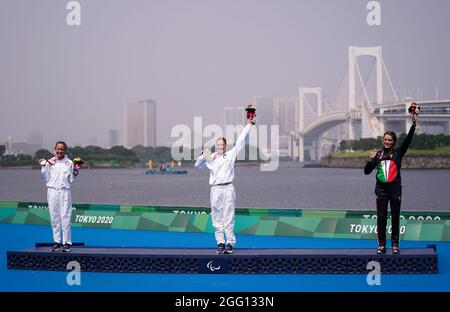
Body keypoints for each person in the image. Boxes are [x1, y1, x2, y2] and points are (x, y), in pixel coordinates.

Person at [195, 116, 256, 254]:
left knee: (229, 216)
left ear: (225, 146)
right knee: (216, 217)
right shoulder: (211, 158)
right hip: (215, 189)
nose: (220, 146)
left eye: (222, 144)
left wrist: (249, 125)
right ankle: (220, 243)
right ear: (216, 146)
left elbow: (240, 141)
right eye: (218, 144)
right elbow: (197, 166)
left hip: (228, 188)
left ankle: (230, 244)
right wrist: (202, 154)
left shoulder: (230, 155)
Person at [364, 113, 417, 255]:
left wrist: (413, 124)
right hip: (381, 190)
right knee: (381, 218)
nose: (387, 142)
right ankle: (381, 245)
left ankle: (395, 245)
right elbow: (367, 172)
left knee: (395, 217)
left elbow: (408, 139)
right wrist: (370, 161)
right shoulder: (378, 155)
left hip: (395, 190)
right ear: (383, 140)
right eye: (385, 139)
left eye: (390, 140)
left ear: (393, 142)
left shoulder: (399, 152)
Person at [39, 141, 79, 252]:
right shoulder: (50, 162)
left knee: (65, 217)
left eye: (62, 149)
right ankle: (57, 242)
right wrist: (43, 167)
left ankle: (67, 243)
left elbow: (71, 179)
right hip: (52, 191)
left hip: (64, 191)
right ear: (55, 149)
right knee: (54, 217)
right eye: (58, 149)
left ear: (65, 150)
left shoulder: (69, 162)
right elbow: (46, 178)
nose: (60, 151)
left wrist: (76, 171)